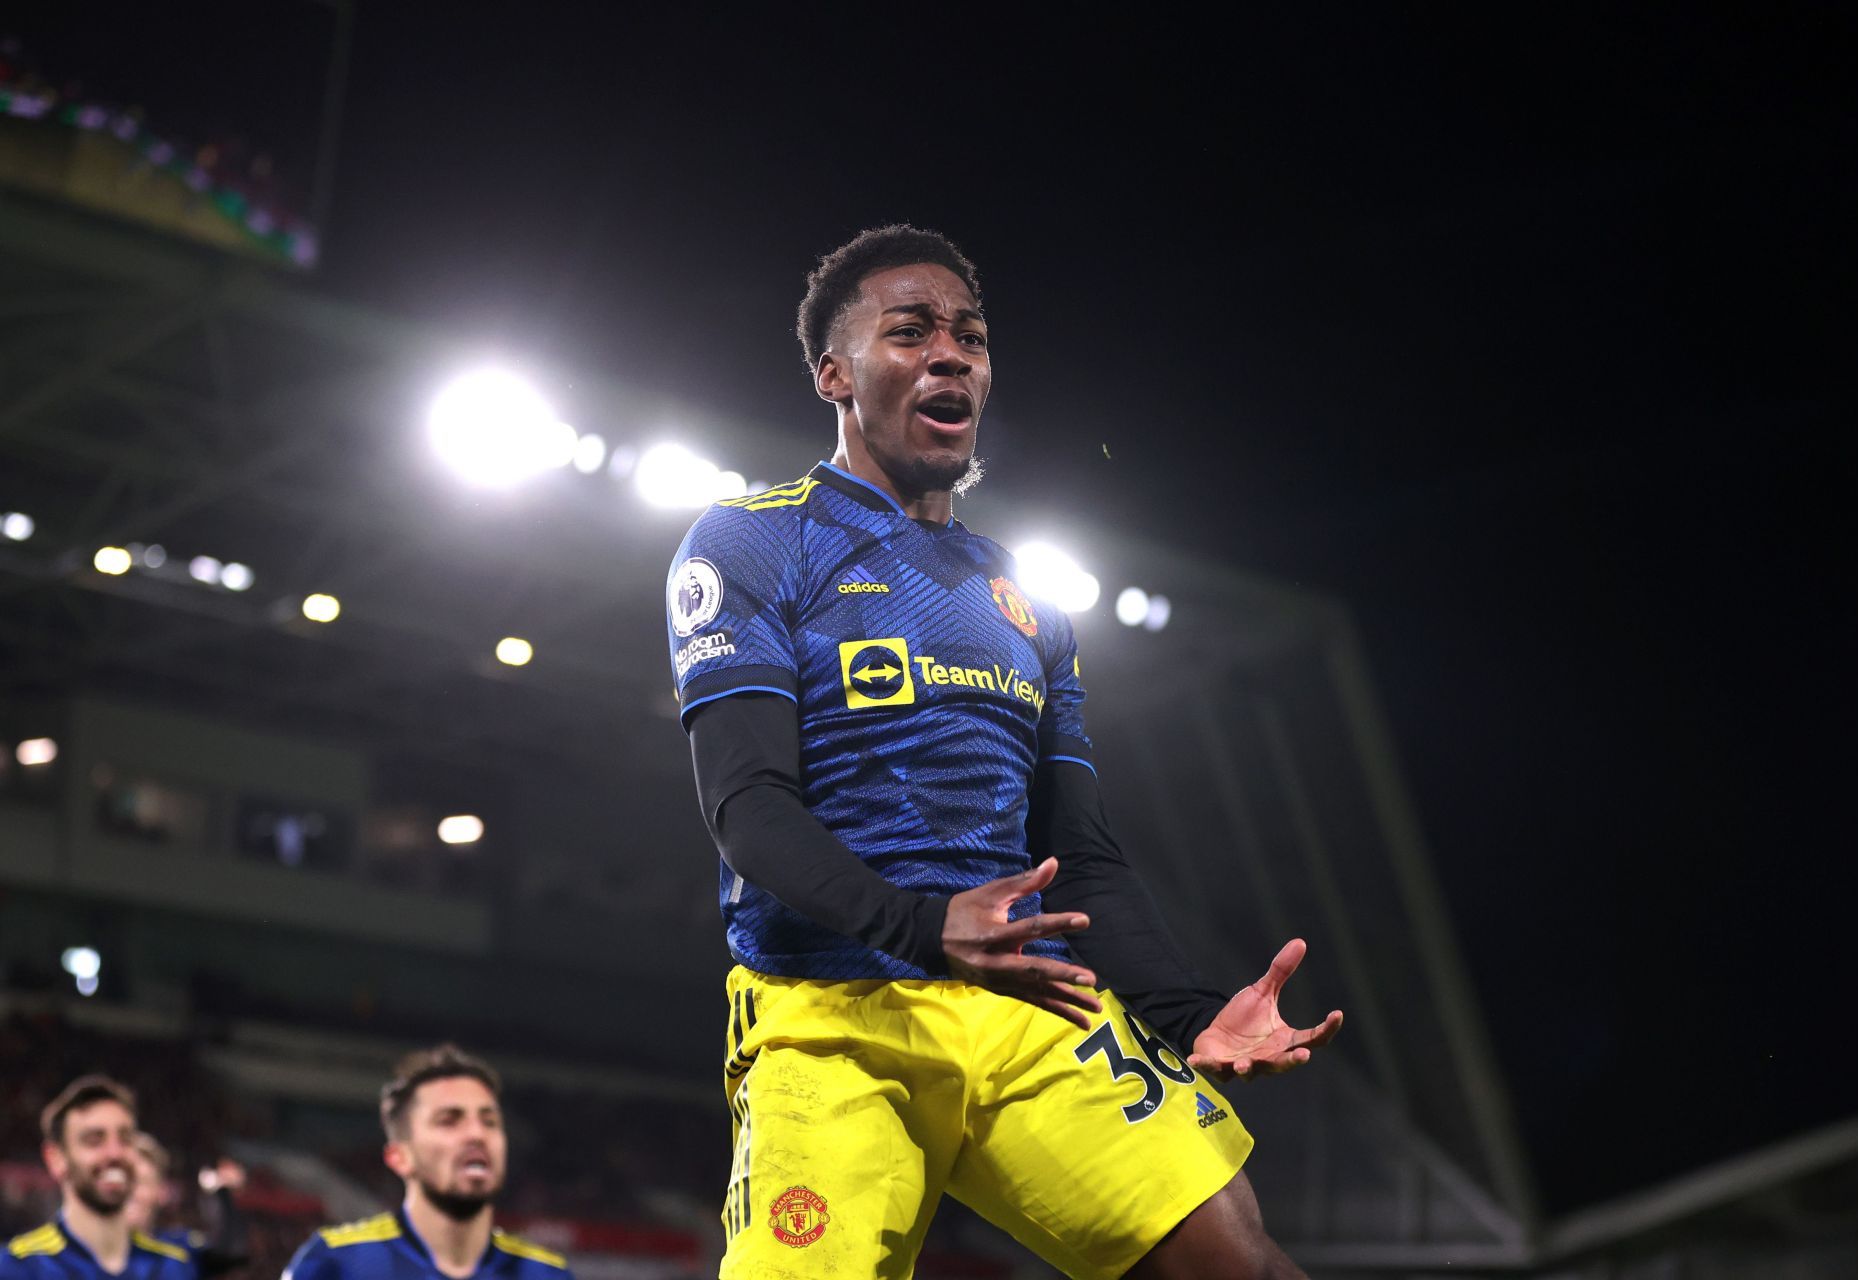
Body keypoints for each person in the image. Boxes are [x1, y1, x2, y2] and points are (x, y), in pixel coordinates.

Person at [665, 224, 1345, 1279]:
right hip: (831, 1013)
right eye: (912, 331)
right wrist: (923, 924)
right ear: (833, 373)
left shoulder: (1028, 600)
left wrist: (1190, 1014)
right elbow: (748, 808)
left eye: (970, 336)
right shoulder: (751, 539)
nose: (952, 354)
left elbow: (1083, 851)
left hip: (1028, 998)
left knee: (1233, 1260)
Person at [281, 1046, 570, 1280]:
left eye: (489, 1121)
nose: (476, 1134)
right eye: (449, 1120)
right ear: (400, 1158)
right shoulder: (336, 1264)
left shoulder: (546, 1274)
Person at [3, 1076, 196, 1280]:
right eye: (94, 1140)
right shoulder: (19, 1267)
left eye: (125, 1138)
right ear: (56, 1159)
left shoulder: (173, 1266)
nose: (114, 1153)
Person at [124, 1136, 250, 1280]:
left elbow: (229, 1256)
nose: (131, 1191)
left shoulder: (180, 1249)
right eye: (126, 1179)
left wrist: (224, 1194)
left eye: (142, 1182)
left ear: (162, 1192)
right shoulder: (94, 1252)